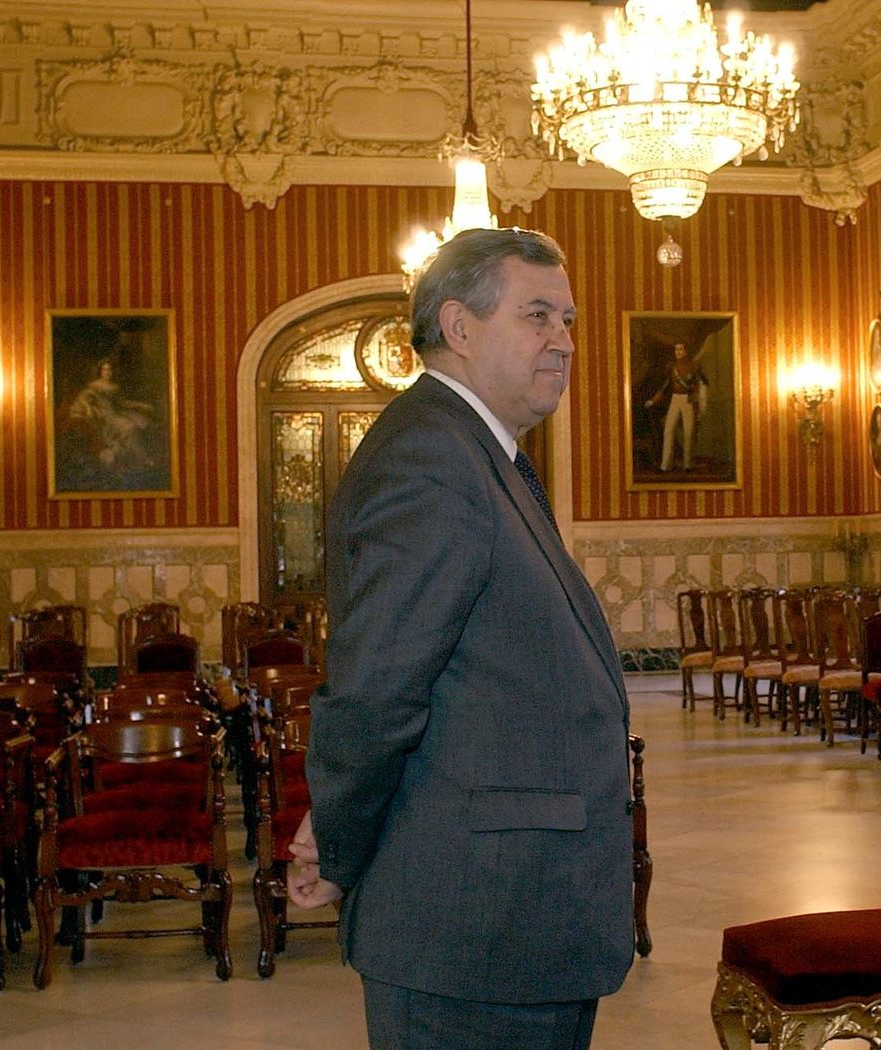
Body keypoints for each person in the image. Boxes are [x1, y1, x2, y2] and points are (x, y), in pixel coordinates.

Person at [289, 227, 634, 1050]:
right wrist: (337, 838)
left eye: (570, 318)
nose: (565, 340)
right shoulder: (433, 457)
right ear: (460, 326)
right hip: (474, 922)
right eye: (539, 315)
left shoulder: (479, 452)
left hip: (516, 915)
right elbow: (378, 686)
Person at [64, 356, 156, 469]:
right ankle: (143, 458)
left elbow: (122, 403)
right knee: (130, 428)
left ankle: (136, 460)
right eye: (104, 369)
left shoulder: (114, 386)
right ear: (100, 372)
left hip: (117, 413)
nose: (107, 372)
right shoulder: (94, 386)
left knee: (144, 423)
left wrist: (140, 405)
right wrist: (88, 407)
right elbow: (83, 398)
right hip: (106, 418)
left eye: (109, 369)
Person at [646, 342, 708, 471]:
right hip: (675, 399)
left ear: (685, 351)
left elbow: (703, 384)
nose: (678, 352)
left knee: (688, 433)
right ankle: (665, 466)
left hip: (688, 400)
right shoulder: (672, 367)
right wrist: (653, 401)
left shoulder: (694, 366)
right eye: (676, 350)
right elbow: (665, 386)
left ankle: (687, 465)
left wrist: (701, 403)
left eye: (680, 349)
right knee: (668, 430)